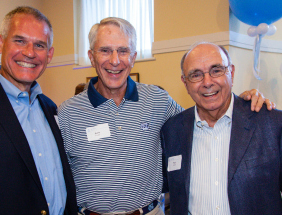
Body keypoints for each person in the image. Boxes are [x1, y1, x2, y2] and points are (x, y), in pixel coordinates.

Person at [58, 17, 273, 215]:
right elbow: (58, 179)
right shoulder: (68, 112)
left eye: (123, 51)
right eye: (105, 50)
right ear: (91, 57)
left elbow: (201, 116)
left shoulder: (157, 100)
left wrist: (244, 100)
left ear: (133, 58)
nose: (115, 61)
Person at [0, 6, 77, 215]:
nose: (29, 52)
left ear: (49, 54)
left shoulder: (49, 108)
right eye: (20, 41)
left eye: (39, 45)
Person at [161, 42, 282, 215]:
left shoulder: (271, 124)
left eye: (216, 70)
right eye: (196, 75)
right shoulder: (171, 131)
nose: (207, 82)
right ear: (185, 83)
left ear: (231, 72)